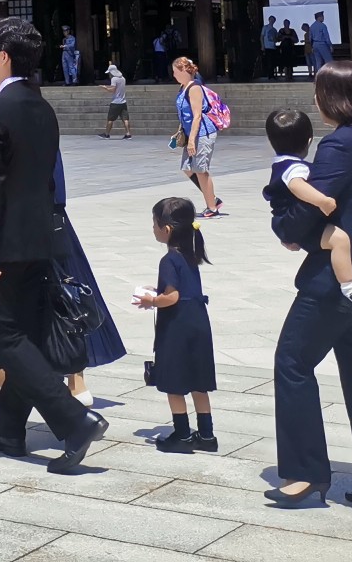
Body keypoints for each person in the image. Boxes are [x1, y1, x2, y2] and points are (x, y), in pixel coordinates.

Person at [0, 17, 109, 475]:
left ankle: (73, 419)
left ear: (4, 56)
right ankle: (8, 429)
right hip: (43, 235)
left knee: (7, 336)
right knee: (26, 331)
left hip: (7, 237)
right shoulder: (43, 107)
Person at [266, 60, 352, 509]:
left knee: (292, 361)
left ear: (332, 98)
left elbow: (308, 211)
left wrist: (285, 228)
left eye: (318, 92)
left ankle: (305, 474)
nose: (314, 100)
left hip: (336, 281)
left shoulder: (338, 146)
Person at [0, 151, 125, 410]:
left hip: (28, 224)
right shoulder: (40, 129)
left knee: (54, 297)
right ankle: (13, 377)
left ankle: (72, 381)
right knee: (64, 295)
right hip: (50, 220)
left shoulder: (18, 131)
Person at [262, 107, 352, 316]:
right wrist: (322, 200)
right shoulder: (294, 167)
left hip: (285, 223)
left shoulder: (280, 163)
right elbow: (297, 185)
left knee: (338, 240)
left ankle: (348, 289)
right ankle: (349, 290)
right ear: (309, 141)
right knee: (340, 240)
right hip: (290, 222)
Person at [135, 196, 217, 454]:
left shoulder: (168, 259)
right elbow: (182, 289)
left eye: (154, 223)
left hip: (178, 328)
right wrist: (157, 291)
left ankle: (181, 435)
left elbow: (172, 297)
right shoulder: (190, 255)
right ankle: (206, 435)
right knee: (197, 382)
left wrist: (152, 300)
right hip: (198, 323)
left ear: (166, 229)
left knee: (175, 383)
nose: (152, 228)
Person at [172, 57, 222, 218]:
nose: (173, 75)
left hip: (202, 134)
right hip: (190, 133)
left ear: (183, 71)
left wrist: (192, 140)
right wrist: (180, 131)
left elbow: (197, 116)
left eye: (175, 71)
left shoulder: (194, 88)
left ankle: (212, 207)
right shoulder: (183, 87)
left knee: (201, 170)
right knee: (187, 167)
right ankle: (212, 198)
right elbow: (184, 114)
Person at [98, 61, 131, 138]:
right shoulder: (123, 78)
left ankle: (106, 134)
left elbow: (113, 89)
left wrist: (105, 88)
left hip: (115, 102)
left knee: (110, 119)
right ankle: (128, 133)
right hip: (123, 101)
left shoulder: (114, 79)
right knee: (125, 119)